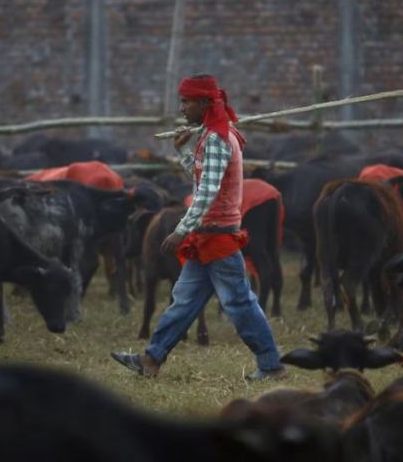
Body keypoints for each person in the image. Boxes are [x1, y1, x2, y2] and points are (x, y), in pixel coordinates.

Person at [111, 74, 285, 382]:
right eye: (182, 101)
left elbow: (207, 191)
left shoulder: (218, 138)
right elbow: (204, 176)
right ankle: (151, 360)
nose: (182, 109)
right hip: (208, 233)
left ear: (206, 103)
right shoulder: (213, 135)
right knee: (185, 299)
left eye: (187, 101)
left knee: (238, 302)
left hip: (217, 235)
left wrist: (181, 229)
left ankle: (271, 365)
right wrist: (183, 152)